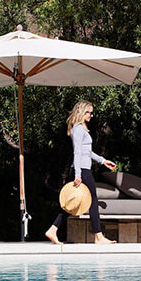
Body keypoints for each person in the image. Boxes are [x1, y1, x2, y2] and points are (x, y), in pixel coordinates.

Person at [45, 100, 117, 244]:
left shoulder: (81, 129)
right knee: (92, 200)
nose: (91, 115)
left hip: (82, 169)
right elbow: (77, 153)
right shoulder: (78, 129)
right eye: (88, 112)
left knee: (74, 203)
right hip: (82, 170)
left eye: (91, 112)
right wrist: (78, 174)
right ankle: (99, 236)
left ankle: (52, 230)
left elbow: (87, 152)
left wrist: (103, 161)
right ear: (81, 112)